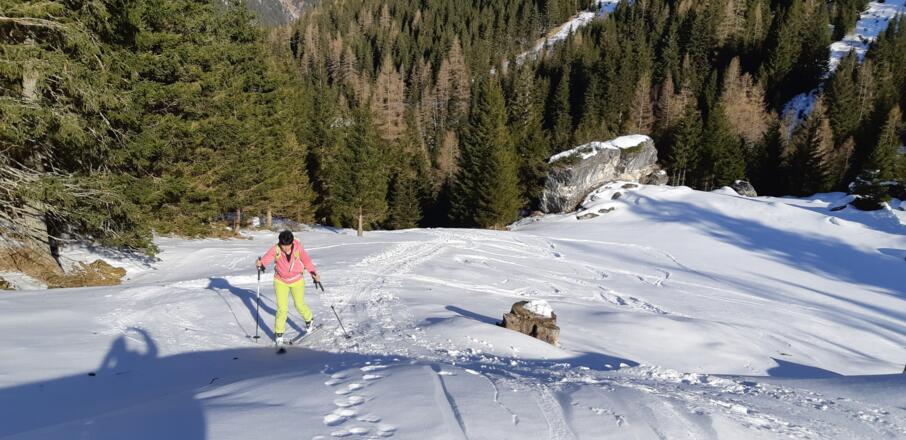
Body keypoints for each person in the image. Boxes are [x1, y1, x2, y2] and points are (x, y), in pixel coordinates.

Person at [256, 230, 320, 346]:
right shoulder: (276, 249)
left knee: (299, 304)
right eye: (283, 245)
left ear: (292, 243)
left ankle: (309, 319)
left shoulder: (298, 248)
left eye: (287, 245)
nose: (285, 248)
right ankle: (279, 334)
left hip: (297, 280)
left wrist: (313, 273)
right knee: (282, 309)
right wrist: (261, 263)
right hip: (280, 281)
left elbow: (307, 261)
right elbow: (266, 258)